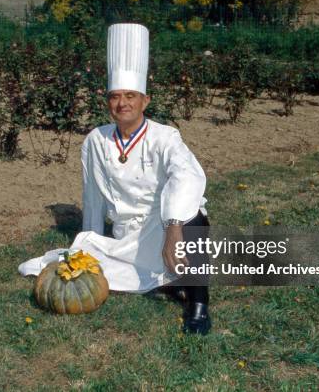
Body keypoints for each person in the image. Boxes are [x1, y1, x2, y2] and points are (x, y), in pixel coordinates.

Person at [19, 23, 211, 335]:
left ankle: (198, 304)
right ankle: (166, 281)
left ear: (145, 101)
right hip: (125, 235)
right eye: (115, 96)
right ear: (108, 101)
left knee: (194, 217)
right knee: (99, 265)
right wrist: (89, 240)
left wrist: (173, 227)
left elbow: (187, 175)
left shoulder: (166, 136)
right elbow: (92, 194)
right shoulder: (96, 139)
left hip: (162, 224)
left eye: (130, 96)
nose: (122, 103)